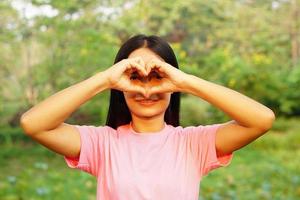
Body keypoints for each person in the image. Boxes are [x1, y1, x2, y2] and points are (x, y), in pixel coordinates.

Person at [20, 34, 275, 199]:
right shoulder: (103, 144)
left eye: (157, 78)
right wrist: (106, 79)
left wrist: (185, 82)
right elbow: (33, 124)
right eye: (134, 79)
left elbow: (261, 119)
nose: (146, 90)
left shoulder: (193, 143)